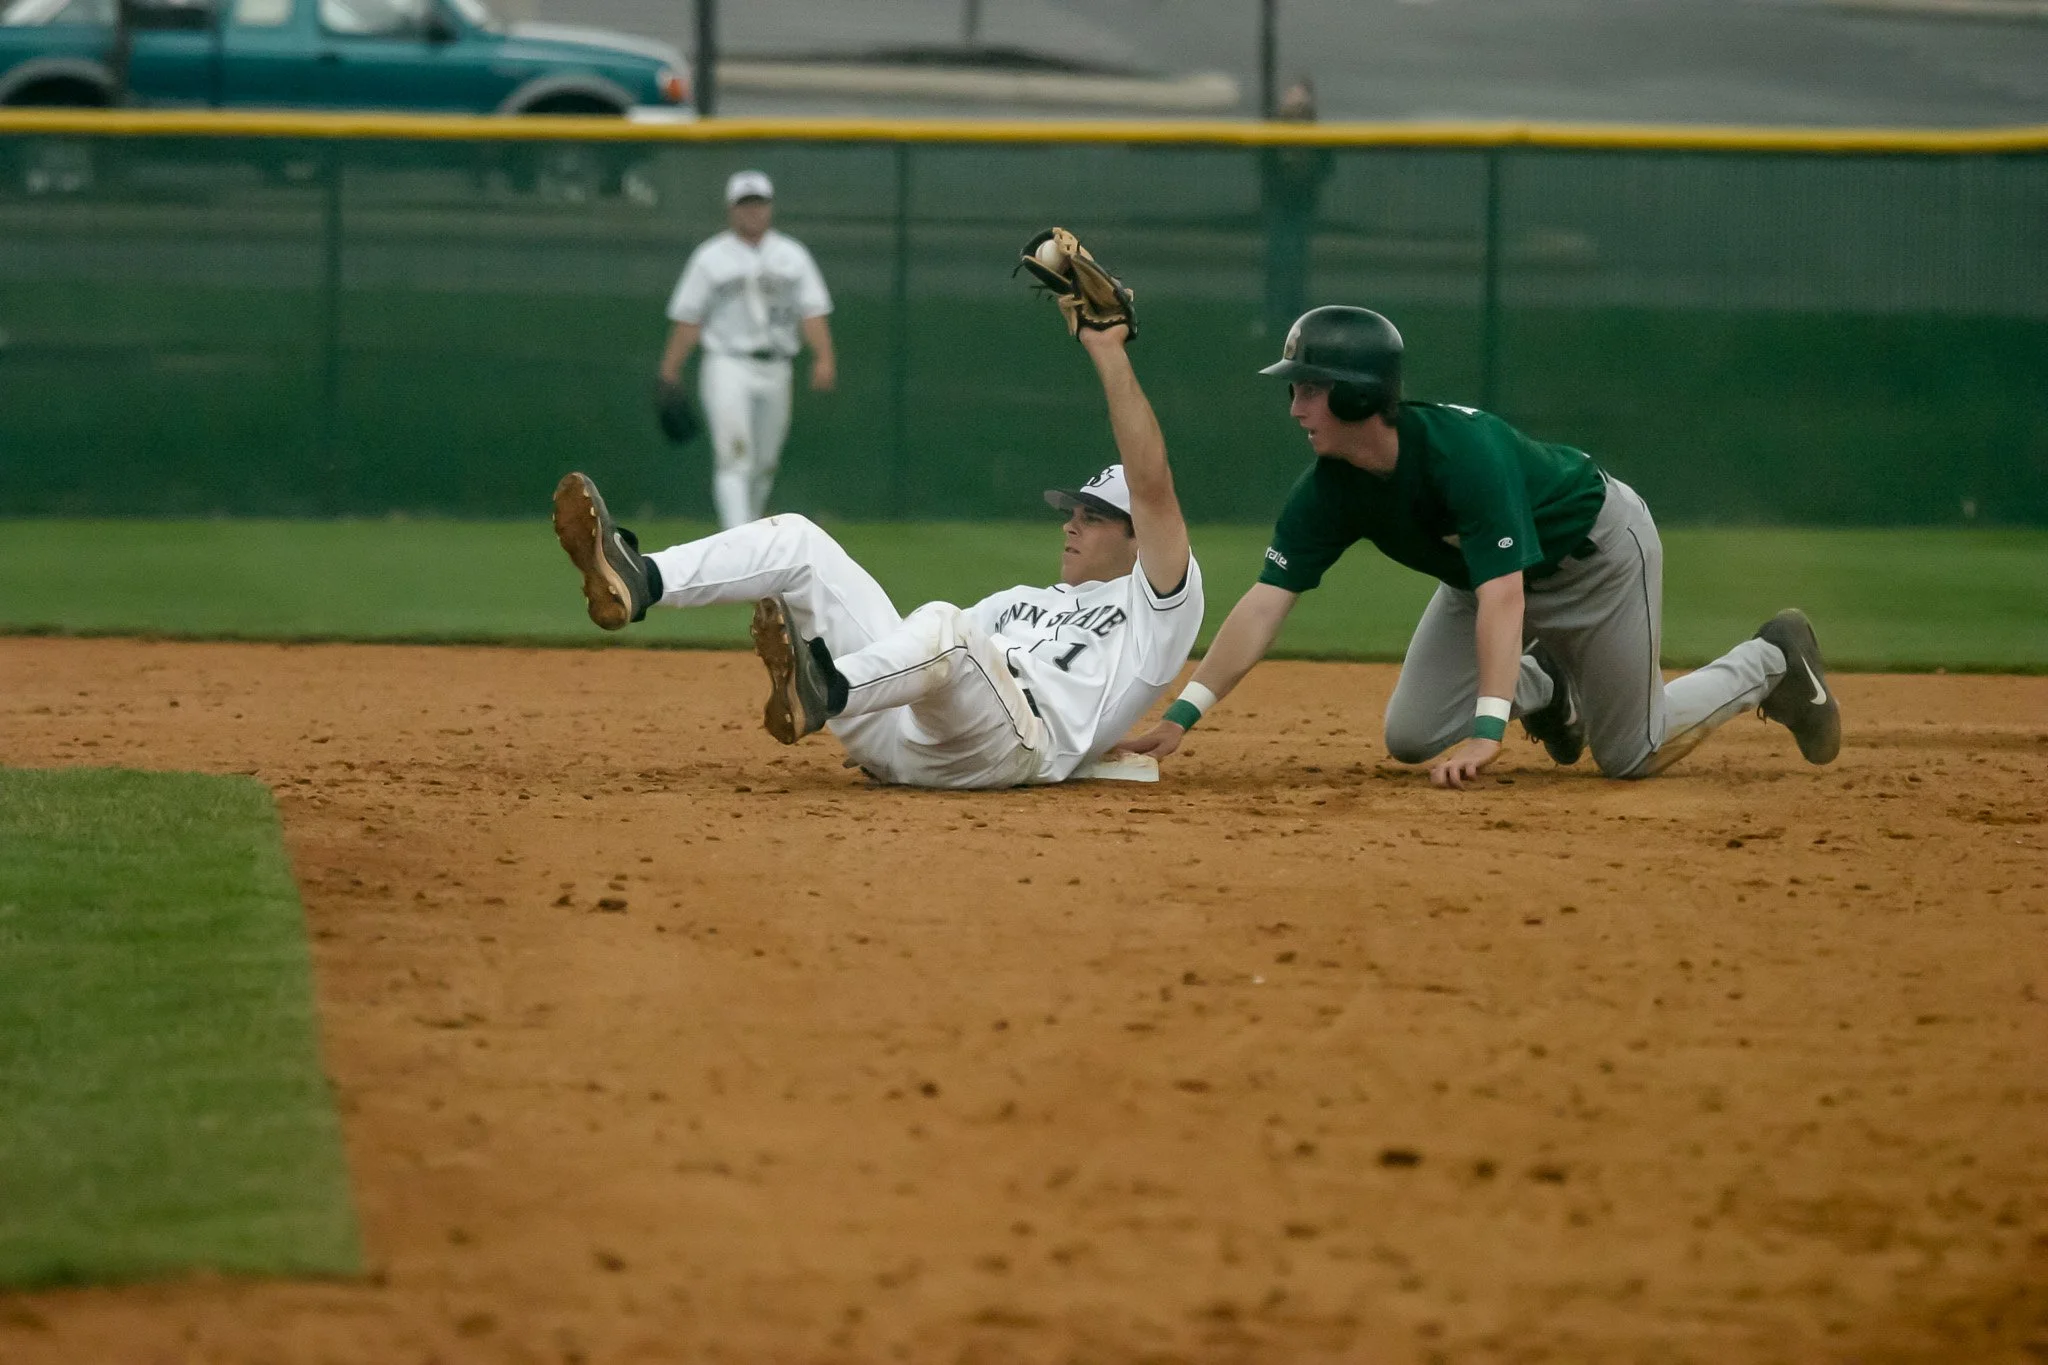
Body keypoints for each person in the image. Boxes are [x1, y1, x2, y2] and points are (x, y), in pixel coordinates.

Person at [1120, 305, 1842, 787]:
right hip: (1483, 579)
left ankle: (1773, 656)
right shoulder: (1331, 487)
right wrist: (1184, 716)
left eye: (1310, 389)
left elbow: (1507, 592)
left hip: (1594, 560)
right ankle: (1547, 684)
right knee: (1408, 735)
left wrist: (1487, 729)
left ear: (1359, 395)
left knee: (1630, 755)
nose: (1296, 407)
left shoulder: (1464, 452)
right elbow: (1264, 604)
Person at [555, 322, 1204, 790]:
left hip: (1012, 748)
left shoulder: (1155, 608)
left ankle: (825, 688)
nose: (1072, 524)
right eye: (1073, 511)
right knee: (800, 541)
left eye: (1094, 518)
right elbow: (931, 669)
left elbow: (1153, 486)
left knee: (948, 628)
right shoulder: (1018, 602)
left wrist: (1107, 350)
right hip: (903, 738)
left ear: (1138, 537)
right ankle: (640, 577)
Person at [658, 169, 837, 530]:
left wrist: (824, 357)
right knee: (734, 457)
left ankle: (750, 534)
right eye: (745, 204)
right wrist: (669, 371)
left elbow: (812, 311)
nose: (752, 212)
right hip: (728, 364)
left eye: (759, 204)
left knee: (764, 463)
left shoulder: (792, 255)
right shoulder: (710, 257)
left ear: (770, 208)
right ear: (731, 209)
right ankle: (737, 540)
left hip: (777, 366)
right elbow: (689, 319)